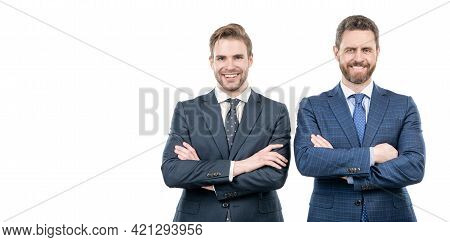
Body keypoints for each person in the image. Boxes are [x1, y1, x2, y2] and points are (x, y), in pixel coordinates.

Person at [294, 15, 425, 222]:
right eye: (350, 50)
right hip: (330, 218)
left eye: (366, 50)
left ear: (377, 52)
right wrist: (373, 155)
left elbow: (414, 167)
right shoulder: (312, 106)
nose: (358, 58)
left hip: (392, 217)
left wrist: (347, 173)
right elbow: (307, 161)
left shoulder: (403, 105)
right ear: (336, 52)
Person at [162, 23, 290, 222]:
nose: (230, 66)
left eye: (238, 57)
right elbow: (172, 173)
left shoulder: (276, 111)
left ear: (250, 60)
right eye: (221, 58)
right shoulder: (187, 111)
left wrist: (205, 176)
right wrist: (243, 166)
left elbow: (274, 176)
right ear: (211, 61)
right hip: (199, 219)